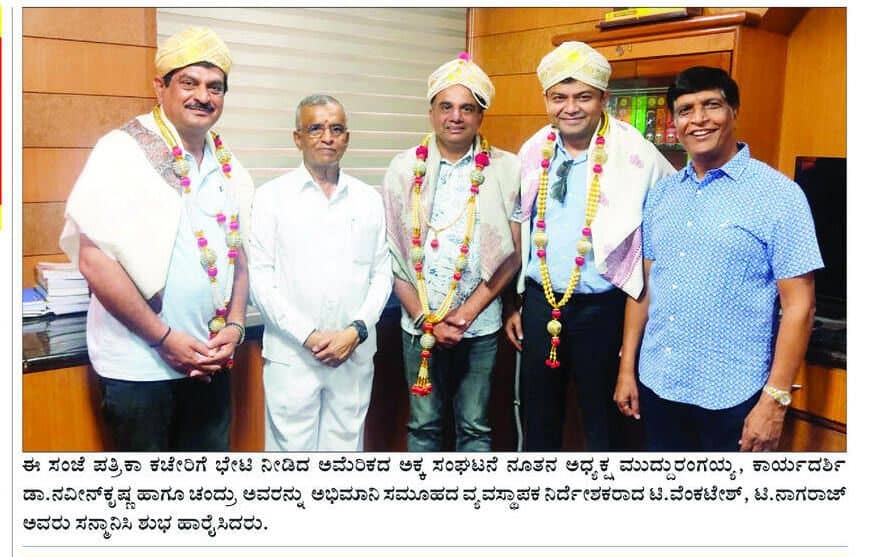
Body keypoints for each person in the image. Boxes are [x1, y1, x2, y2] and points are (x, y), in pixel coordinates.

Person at [59, 27, 253, 451]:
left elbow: (238, 255)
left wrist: (236, 325)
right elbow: (94, 260)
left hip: (210, 362)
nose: (203, 96)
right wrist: (165, 340)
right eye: (189, 82)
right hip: (139, 368)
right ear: (160, 87)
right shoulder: (121, 151)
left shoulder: (229, 166)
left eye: (215, 87)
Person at [614, 66, 823, 452]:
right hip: (659, 383)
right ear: (674, 122)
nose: (698, 119)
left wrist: (774, 401)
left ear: (734, 111)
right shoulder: (663, 195)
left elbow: (800, 306)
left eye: (711, 105)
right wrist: (627, 369)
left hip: (733, 395)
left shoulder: (779, 195)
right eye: (685, 110)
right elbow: (643, 287)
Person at [504, 42, 675, 451]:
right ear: (546, 100)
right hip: (540, 302)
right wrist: (513, 302)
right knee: (538, 419)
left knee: (604, 426)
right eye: (559, 98)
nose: (570, 108)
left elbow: (669, 218)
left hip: (604, 309)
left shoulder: (636, 151)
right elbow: (516, 226)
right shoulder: (534, 149)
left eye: (583, 97)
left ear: (603, 98)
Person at [381, 53, 521, 451]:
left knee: (475, 427)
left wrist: (465, 314)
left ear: (480, 116)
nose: (455, 117)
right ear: (431, 113)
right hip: (418, 324)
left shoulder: (506, 169)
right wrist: (425, 318)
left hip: (479, 325)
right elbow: (391, 253)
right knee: (422, 426)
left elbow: (512, 254)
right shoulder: (403, 168)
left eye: (467, 108)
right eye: (446, 106)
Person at [249, 94, 392, 451]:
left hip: (353, 353)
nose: (327, 137)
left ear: (347, 138)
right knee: (289, 456)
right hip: (293, 355)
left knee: (345, 452)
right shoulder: (271, 198)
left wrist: (356, 330)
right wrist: (309, 336)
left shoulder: (369, 199)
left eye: (336, 129)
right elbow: (260, 281)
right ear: (297, 138)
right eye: (315, 128)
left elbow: (382, 274)